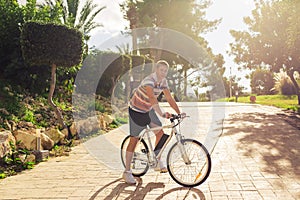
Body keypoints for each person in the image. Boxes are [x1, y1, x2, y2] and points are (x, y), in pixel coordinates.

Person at [122, 60, 184, 184]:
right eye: (161, 70)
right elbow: (151, 97)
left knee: (160, 133)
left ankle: (157, 159)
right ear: (156, 70)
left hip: (148, 110)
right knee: (134, 140)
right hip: (136, 111)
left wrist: (179, 112)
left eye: (165, 71)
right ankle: (127, 172)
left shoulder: (163, 82)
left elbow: (169, 98)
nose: (163, 73)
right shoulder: (148, 81)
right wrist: (161, 113)